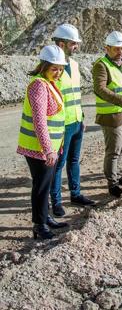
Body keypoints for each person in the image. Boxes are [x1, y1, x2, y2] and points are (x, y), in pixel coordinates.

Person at [18, 45, 71, 240]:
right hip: (38, 148)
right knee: (40, 187)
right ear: (44, 66)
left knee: (46, 185)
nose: (58, 73)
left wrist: (56, 146)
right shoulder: (39, 85)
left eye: (60, 69)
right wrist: (49, 150)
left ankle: (45, 217)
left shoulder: (49, 83)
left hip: (48, 148)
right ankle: (39, 225)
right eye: (54, 68)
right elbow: (39, 120)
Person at [49, 24, 96, 217]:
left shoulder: (75, 66)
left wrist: (82, 117)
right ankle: (57, 201)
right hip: (62, 125)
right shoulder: (52, 67)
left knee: (74, 160)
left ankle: (75, 194)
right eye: (73, 44)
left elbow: (75, 94)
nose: (76, 47)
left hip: (76, 121)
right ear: (62, 43)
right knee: (59, 164)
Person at [93, 31, 122, 198]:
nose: (120, 52)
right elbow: (100, 89)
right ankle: (112, 184)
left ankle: (118, 176)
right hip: (111, 116)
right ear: (107, 48)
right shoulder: (102, 65)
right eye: (116, 49)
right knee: (113, 151)